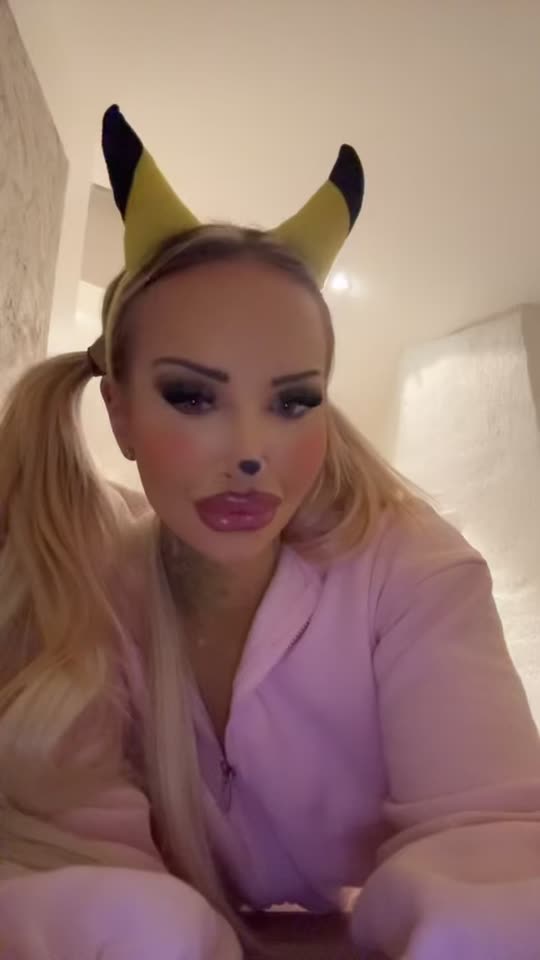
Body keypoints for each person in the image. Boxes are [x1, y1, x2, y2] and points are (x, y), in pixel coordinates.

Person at [0, 105, 539, 960]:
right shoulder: (84, 594)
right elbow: (86, 881)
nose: (252, 454)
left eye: (292, 401)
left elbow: (497, 850)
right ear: (119, 412)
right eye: (192, 395)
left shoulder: (415, 573)